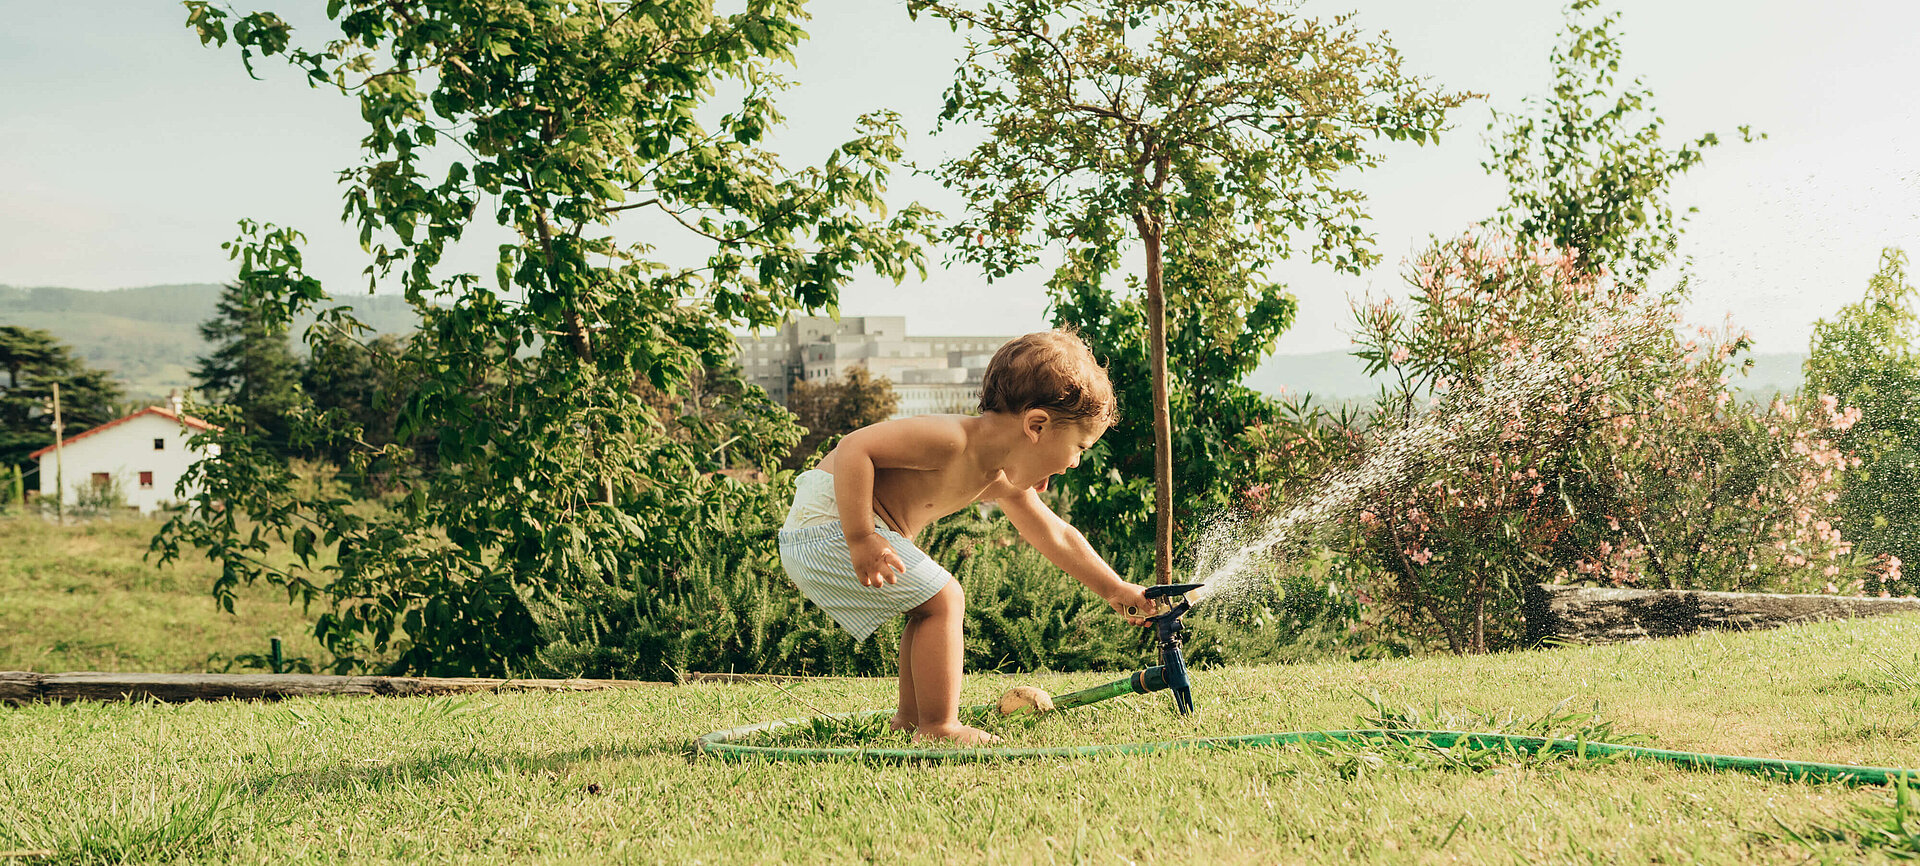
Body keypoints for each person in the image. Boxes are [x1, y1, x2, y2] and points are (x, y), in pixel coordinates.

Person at [778, 329, 1158, 746]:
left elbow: (1054, 533)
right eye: (1080, 447)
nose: (1075, 462)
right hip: (829, 523)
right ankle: (940, 727)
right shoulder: (953, 441)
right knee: (946, 599)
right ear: (1037, 426)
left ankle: (910, 721)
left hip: (839, 529)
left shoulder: (999, 476)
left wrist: (1115, 589)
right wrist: (861, 536)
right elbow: (854, 449)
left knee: (926, 607)